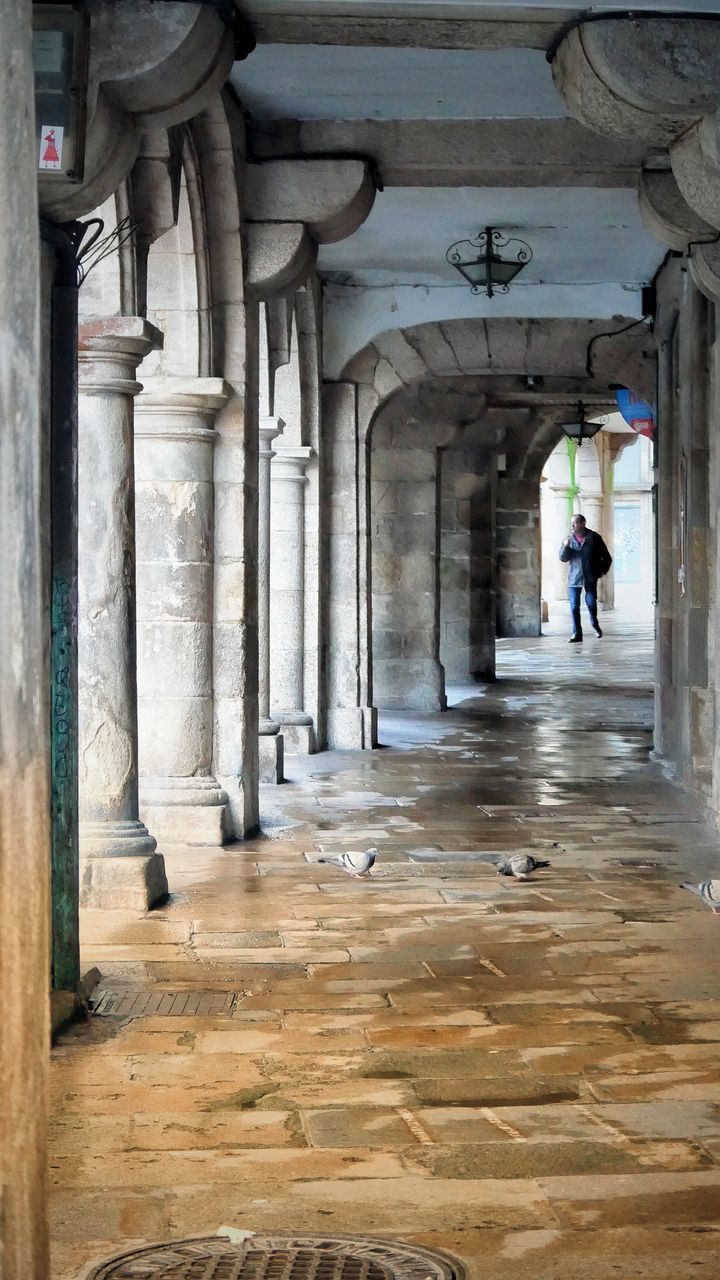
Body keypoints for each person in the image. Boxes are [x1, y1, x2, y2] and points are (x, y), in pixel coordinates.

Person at [559, 513, 612, 643]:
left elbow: (607, 557)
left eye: (575, 522)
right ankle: (577, 634)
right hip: (574, 577)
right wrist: (566, 547)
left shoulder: (593, 538)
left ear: (583, 523)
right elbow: (563, 558)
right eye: (571, 523)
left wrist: (601, 572)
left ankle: (595, 624)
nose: (572, 525)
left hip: (589, 577)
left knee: (591, 603)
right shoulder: (569, 539)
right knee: (574, 606)